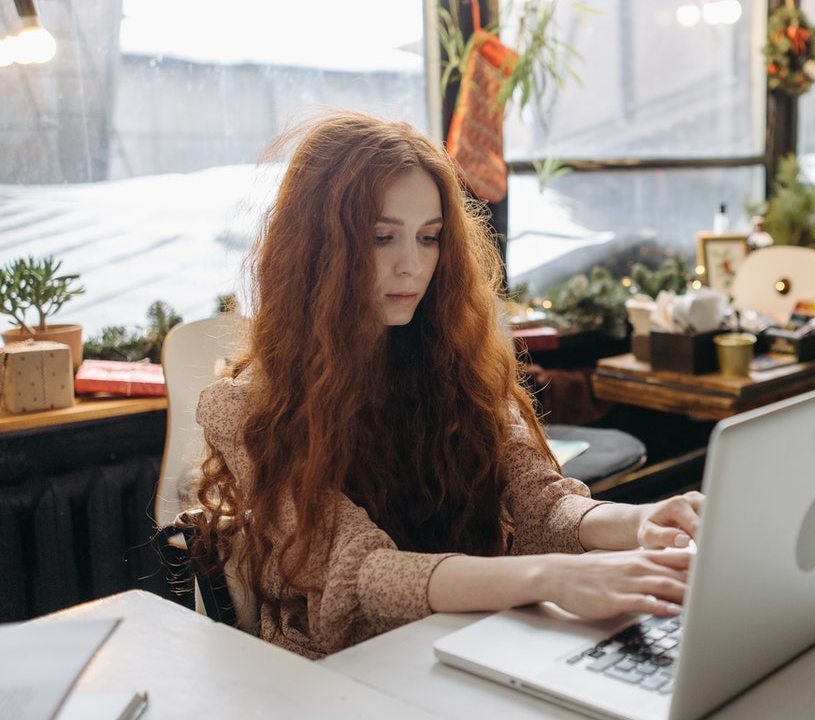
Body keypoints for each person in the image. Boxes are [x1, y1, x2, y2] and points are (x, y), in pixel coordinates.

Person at [189, 111, 703, 659]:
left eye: (429, 237)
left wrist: (640, 520)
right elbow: (362, 572)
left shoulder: (458, 359)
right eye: (382, 237)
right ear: (318, 248)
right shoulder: (245, 405)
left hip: (478, 636)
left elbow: (543, 503)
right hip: (350, 669)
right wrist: (546, 579)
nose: (412, 265)